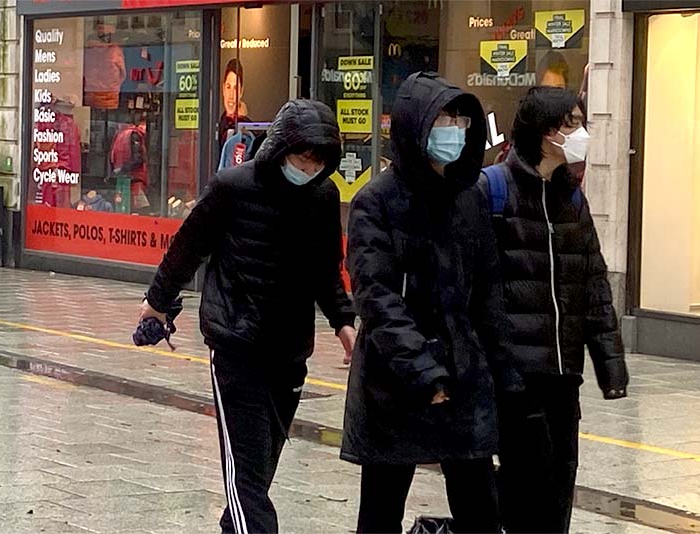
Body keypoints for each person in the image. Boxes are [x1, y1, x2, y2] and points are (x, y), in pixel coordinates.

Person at [141, 99, 357, 534]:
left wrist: (344, 323)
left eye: (318, 160)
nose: (308, 167)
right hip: (236, 343)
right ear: (281, 148)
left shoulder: (322, 195)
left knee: (257, 472)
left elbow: (325, 271)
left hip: (290, 349)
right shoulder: (233, 186)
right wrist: (157, 301)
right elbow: (188, 247)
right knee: (246, 477)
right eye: (302, 156)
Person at [342, 72, 523, 534]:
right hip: (396, 381)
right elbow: (376, 297)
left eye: (461, 121)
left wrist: (504, 373)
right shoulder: (376, 202)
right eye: (443, 119)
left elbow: (487, 294)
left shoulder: (468, 198)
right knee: (382, 509)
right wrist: (423, 372)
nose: (454, 130)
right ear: (415, 126)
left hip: (463, 373)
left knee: (480, 506)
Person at [477, 86, 629, 533]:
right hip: (515, 375)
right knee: (523, 488)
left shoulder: (572, 197)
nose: (581, 133)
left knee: (560, 484)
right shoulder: (494, 191)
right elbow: (476, 289)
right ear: (545, 133)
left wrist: (611, 364)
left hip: (564, 374)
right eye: (571, 124)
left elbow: (593, 283)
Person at [218, 58, 251, 149]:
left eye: (236, 88)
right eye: (228, 87)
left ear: (241, 92)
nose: (231, 95)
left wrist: (242, 119)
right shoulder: (217, 124)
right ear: (223, 88)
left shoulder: (249, 128)